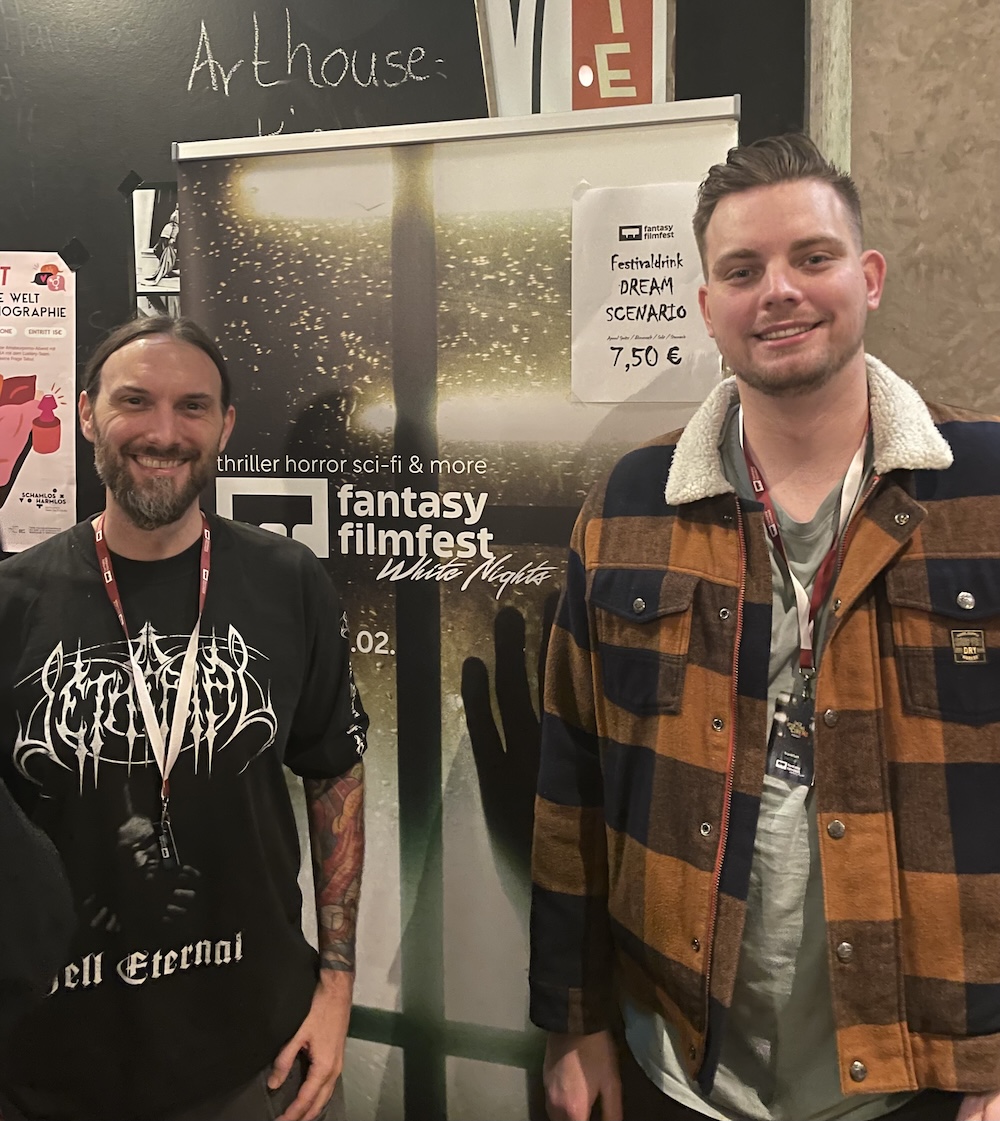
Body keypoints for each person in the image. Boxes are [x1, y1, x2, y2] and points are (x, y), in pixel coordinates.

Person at [530, 134, 1000, 1121]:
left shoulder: (986, 490)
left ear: (868, 277)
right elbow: (572, 780)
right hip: (679, 1064)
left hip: (930, 1072)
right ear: (708, 308)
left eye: (812, 257)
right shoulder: (630, 503)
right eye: (742, 270)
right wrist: (573, 1022)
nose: (778, 290)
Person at [0, 316, 368, 1121]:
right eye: (135, 401)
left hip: (258, 1059)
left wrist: (338, 982)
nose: (164, 433)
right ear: (88, 413)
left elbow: (333, 768)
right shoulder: (13, 601)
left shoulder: (289, 580)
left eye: (192, 406)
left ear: (225, 425)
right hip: (47, 1067)